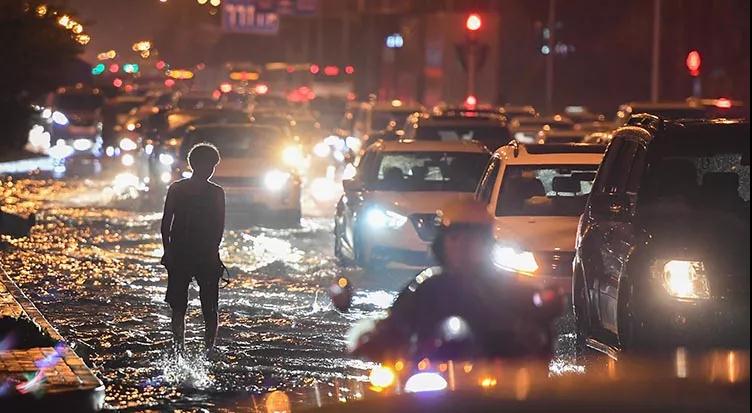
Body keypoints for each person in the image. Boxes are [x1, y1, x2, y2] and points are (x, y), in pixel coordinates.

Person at [352, 199, 561, 361]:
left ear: (486, 243)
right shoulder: (427, 287)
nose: (464, 246)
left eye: (473, 239)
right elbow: (393, 325)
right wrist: (372, 340)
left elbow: (538, 332)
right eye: (455, 238)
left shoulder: (512, 288)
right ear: (443, 243)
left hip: (496, 392)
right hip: (431, 386)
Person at [161, 143, 225, 356]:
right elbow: (219, 227)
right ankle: (204, 350)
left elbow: (165, 225)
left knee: (184, 306)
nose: (210, 169)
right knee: (206, 306)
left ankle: (182, 349)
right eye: (209, 164)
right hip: (200, 254)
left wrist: (168, 251)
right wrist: (213, 254)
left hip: (184, 253)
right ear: (195, 165)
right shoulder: (216, 193)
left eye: (212, 165)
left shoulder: (177, 189)